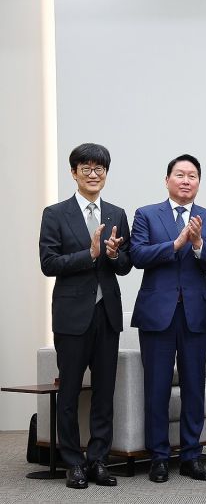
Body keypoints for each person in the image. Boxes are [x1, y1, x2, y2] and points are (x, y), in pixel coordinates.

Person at [39, 143, 132, 489]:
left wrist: (113, 254)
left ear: (106, 173)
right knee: (70, 393)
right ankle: (73, 463)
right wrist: (89, 254)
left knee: (104, 393)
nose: (94, 174)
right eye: (86, 168)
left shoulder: (117, 213)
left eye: (99, 168)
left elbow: (126, 264)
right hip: (72, 315)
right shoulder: (55, 213)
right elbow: (49, 263)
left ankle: (98, 460)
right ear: (74, 172)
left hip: (107, 314)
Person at [130, 154, 206, 483]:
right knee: (156, 388)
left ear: (199, 182)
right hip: (157, 315)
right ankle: (158, 456)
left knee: (194, 388)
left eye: (192, 176)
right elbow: (137, 255)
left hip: (195, 314)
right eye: (180, 174)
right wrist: (176, 243)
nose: (186, 180)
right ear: (167, 179)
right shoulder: (146, 214)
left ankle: (191, 456)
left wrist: (198, 244)